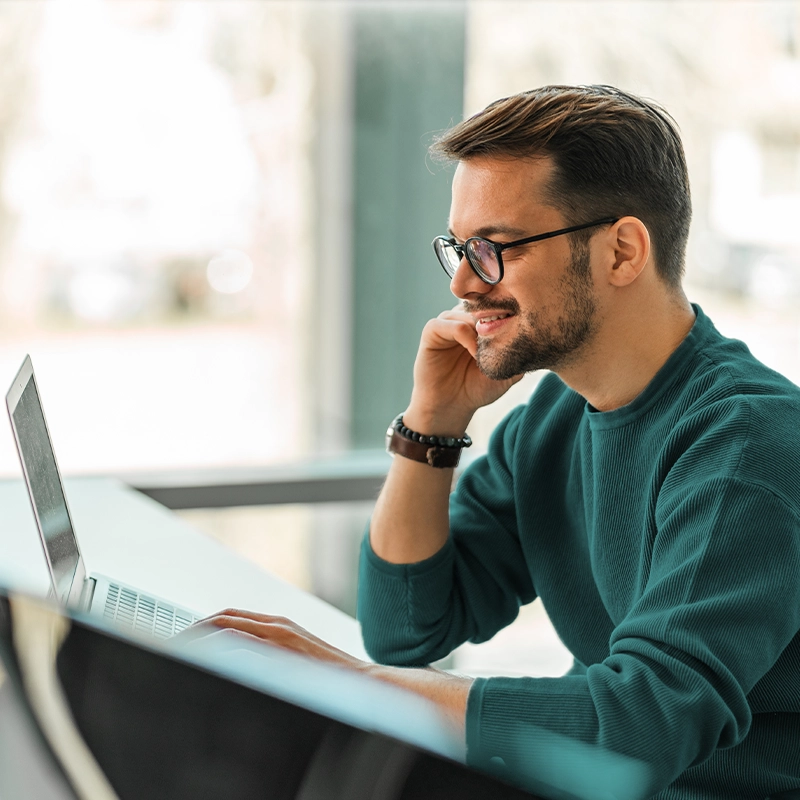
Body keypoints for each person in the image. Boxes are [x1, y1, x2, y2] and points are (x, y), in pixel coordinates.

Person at [191, 86, 800, 799]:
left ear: (623, 251)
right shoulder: (555, 418)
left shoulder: (747, 445)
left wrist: (351, 684)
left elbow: (640, 723)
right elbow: (405, 630)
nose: (461, 281)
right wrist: (432, 425)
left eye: (494, 249)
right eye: (459, 247)